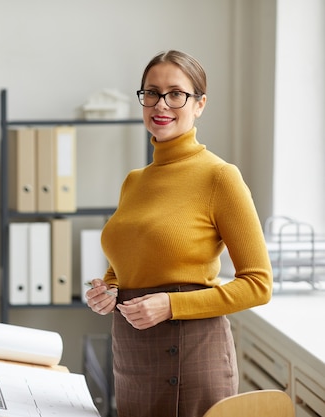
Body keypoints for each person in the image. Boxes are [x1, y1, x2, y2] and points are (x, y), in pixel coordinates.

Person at [85, 50, 273, 417]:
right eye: (151, 92)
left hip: (192, 354)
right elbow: (125, 264)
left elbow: (258, 284)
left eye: (176, 94)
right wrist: (107, 288)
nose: (161, 104)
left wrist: (171, 305)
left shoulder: (220, 177)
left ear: (200, 104)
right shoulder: (134, 181)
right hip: (132, 354)